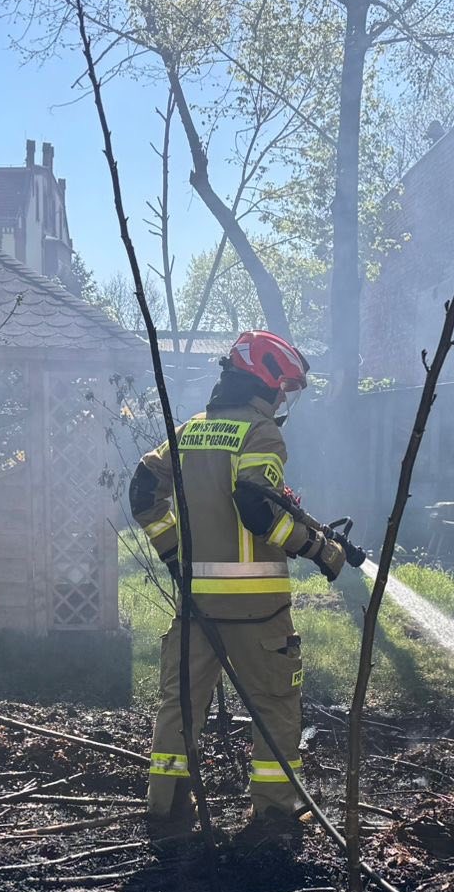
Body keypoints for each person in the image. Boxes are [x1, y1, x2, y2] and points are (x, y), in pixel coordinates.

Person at [128, 330, 362, 848]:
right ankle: (275, 817)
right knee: (276, 707)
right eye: (284, 388)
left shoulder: (188, 432)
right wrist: (320, 549)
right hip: (258, 616)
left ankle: (166, 810)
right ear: (266, 382)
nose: (284, 400)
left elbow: (143, 490)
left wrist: (173, 555)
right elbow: (257, 508)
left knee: (180, 708)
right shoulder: (261, 434)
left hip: (196, 611)